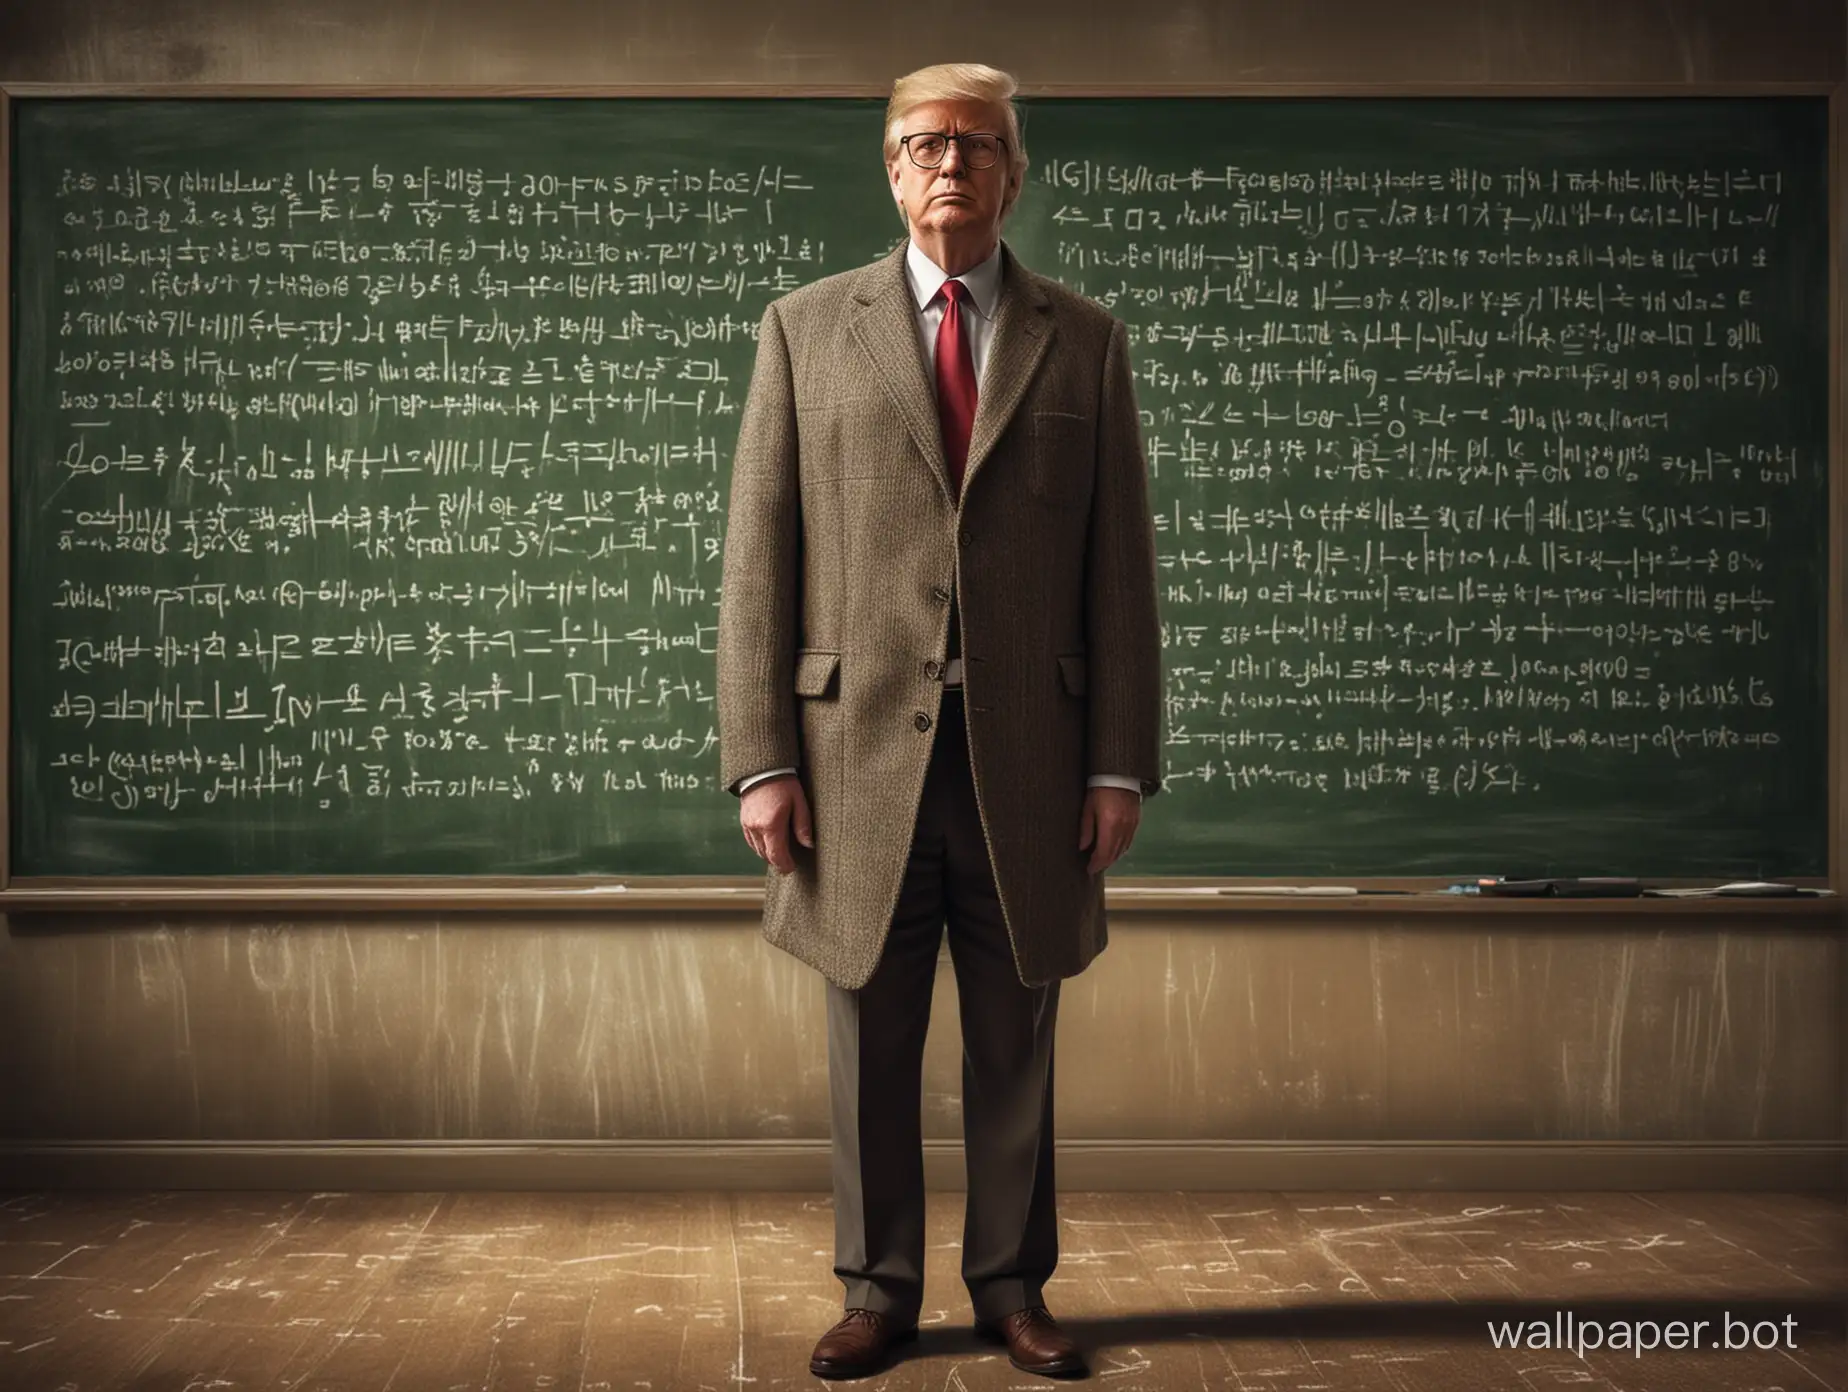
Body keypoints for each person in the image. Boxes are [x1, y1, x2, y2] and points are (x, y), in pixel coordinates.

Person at [716, 61, 1162, 1380]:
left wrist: (1118, 762)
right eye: (924, 143)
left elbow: (1118, 568)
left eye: (978, 145)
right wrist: (760, 761)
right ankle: (877, 1286)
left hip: (1029, 758)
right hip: (852, 762)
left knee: (1017, 1038)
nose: (951, 163)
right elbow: (760, 557)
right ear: (891, 169)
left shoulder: (1081, 338)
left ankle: (1014, 1287)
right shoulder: (804, 328)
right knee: (868, 1033)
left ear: (1015, 174)